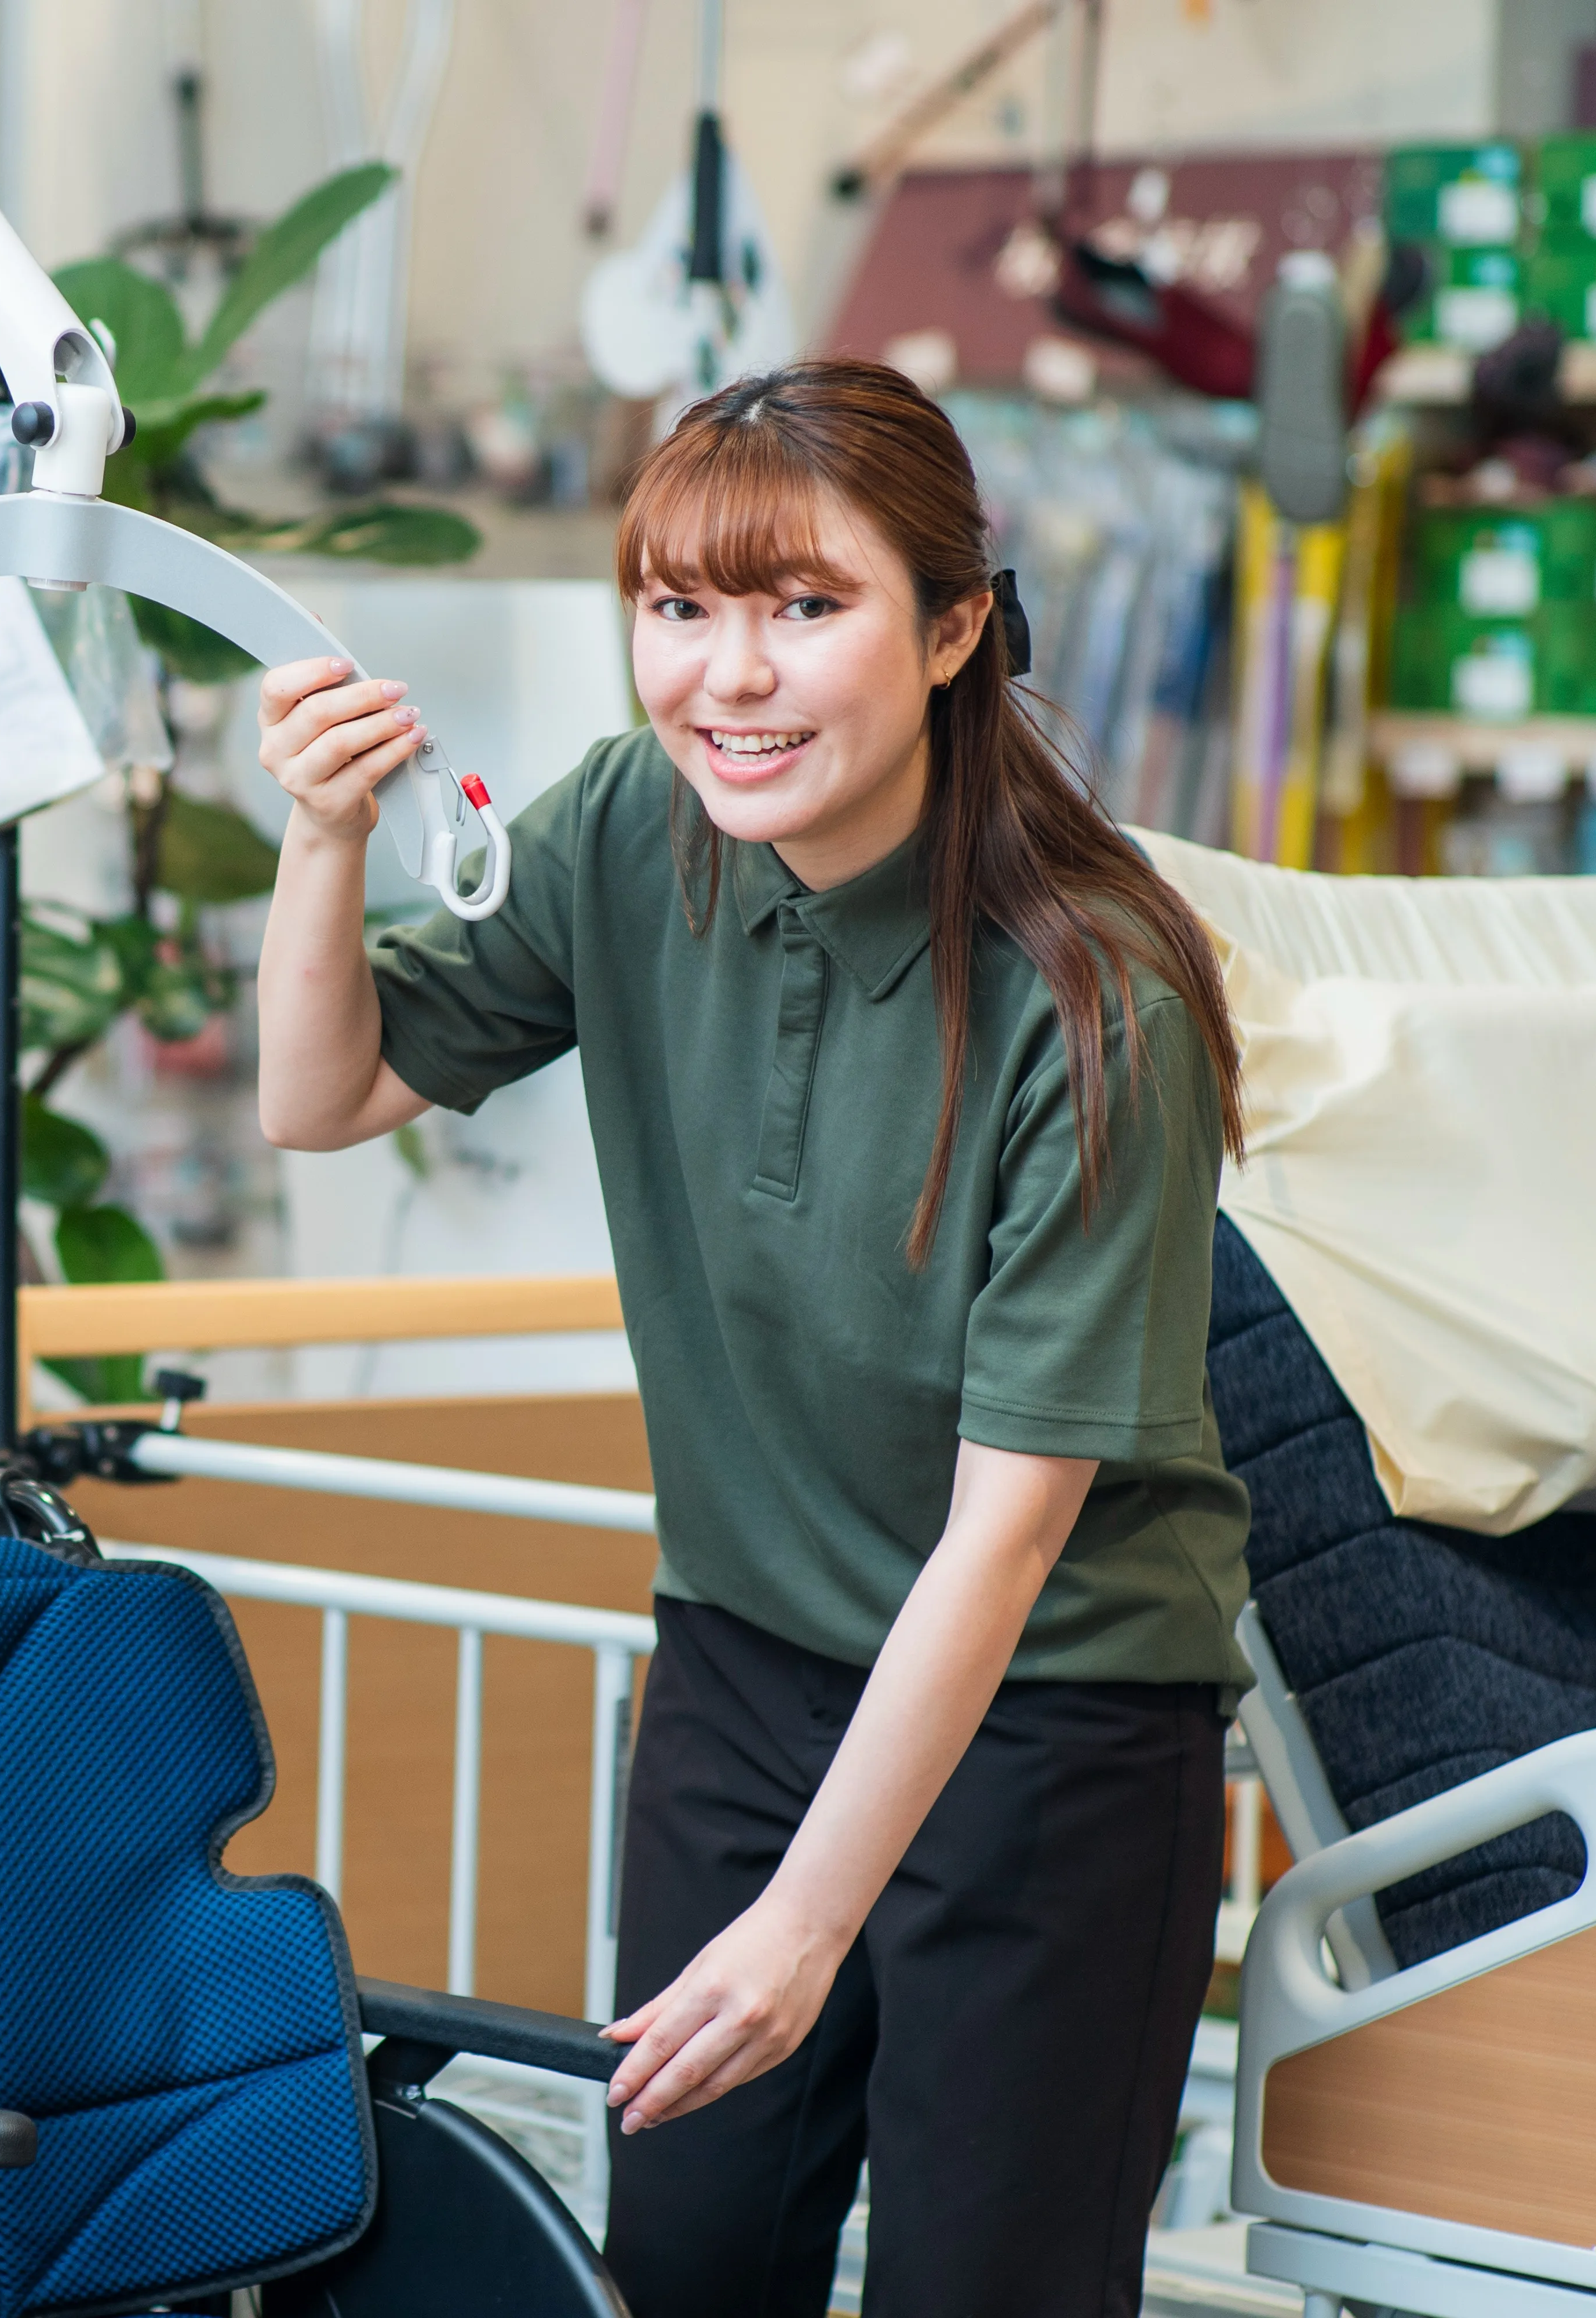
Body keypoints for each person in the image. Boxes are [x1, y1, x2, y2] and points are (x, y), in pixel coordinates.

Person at [251, 359, 1251, 2318]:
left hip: (1047, 1719)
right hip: (743, 1667)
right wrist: (319, 837)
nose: (731, 676)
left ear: (953, 630)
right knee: (688, 2262)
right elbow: (321, 1093)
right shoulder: (635, 825)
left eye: (806, 606)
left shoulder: (1094, 994)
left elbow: (1006, 1538)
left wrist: (809, 1926)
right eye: (678, 607)